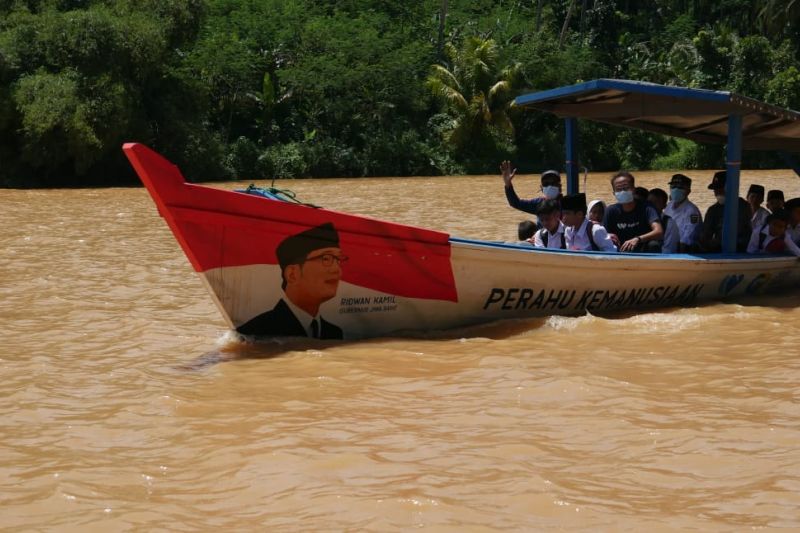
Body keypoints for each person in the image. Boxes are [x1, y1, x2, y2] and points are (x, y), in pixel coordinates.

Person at [238, 222, 344, 338]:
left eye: (338, 260)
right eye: (326, 259)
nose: (337, 269)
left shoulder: (334, 333)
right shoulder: (255, 331)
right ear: (292, 274)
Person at [602, 171, 663, 252]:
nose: (622, 191)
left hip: (643, 249)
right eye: (618, 189)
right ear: (614, 193)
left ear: (633, 190)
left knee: (654, 245)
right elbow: (604, 235)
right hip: (620, 251)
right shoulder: (610, 211)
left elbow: (658, 231)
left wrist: (638, 239)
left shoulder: (647, 207)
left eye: (626, 188)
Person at [701, 170, 751, 252]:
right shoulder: (713, 210)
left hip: (740, 248)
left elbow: (737, 230)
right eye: (715, 190)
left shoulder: (742, 206)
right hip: (716, 248)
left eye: (720, 189)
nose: (717, 193)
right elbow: (706, 232)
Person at [662, 174, 703, 253]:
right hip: (666, 244)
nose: (676, 189)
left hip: (682, 249)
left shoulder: (692, 211)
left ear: (688, 191)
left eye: (680, 187)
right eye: (673, 187)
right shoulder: (669, 205)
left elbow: (688, 237)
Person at [647, 188, 680, 254]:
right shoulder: (642, 218)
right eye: (650, 202)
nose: (653, 205)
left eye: (657, 202)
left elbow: (669, 249)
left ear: (664, 206)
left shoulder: (669, 223)